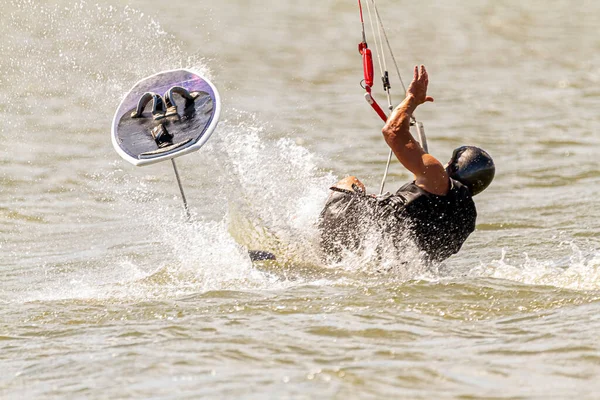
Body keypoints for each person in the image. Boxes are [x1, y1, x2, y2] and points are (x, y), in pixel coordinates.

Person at [319, 65, 495, 263]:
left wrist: (412, 99)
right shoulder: (466, 218)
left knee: (351, 183)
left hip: (366, 233)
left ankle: (305, 244)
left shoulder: (436, 175)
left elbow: (392, 131)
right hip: (390, 257)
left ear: (454, 167)